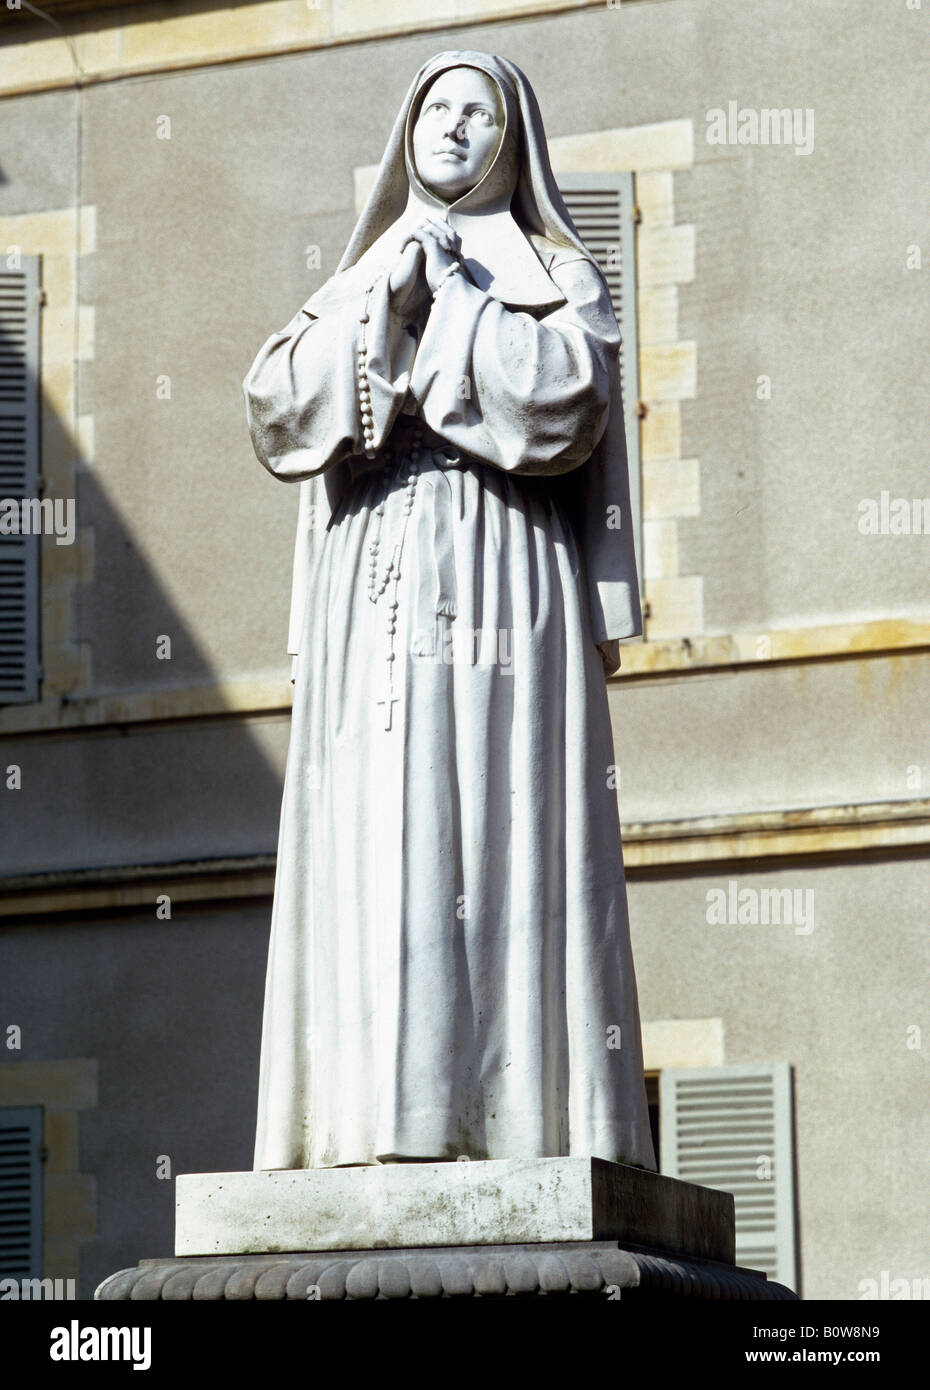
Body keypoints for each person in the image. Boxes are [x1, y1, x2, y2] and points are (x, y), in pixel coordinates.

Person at [243, 50, 657, 1172]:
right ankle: (368, 1117)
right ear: (407, 130)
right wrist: (382, 311)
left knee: (498, 815)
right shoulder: (353, 278)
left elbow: (569, 404)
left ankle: (513, 1116)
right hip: (368, 584)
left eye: (481, 114)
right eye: (439, 108)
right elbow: (277, 410)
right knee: (375, 831)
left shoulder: (554, 277)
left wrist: (462, 311)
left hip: (502, 571)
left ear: (510, 146)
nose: (456, 129)